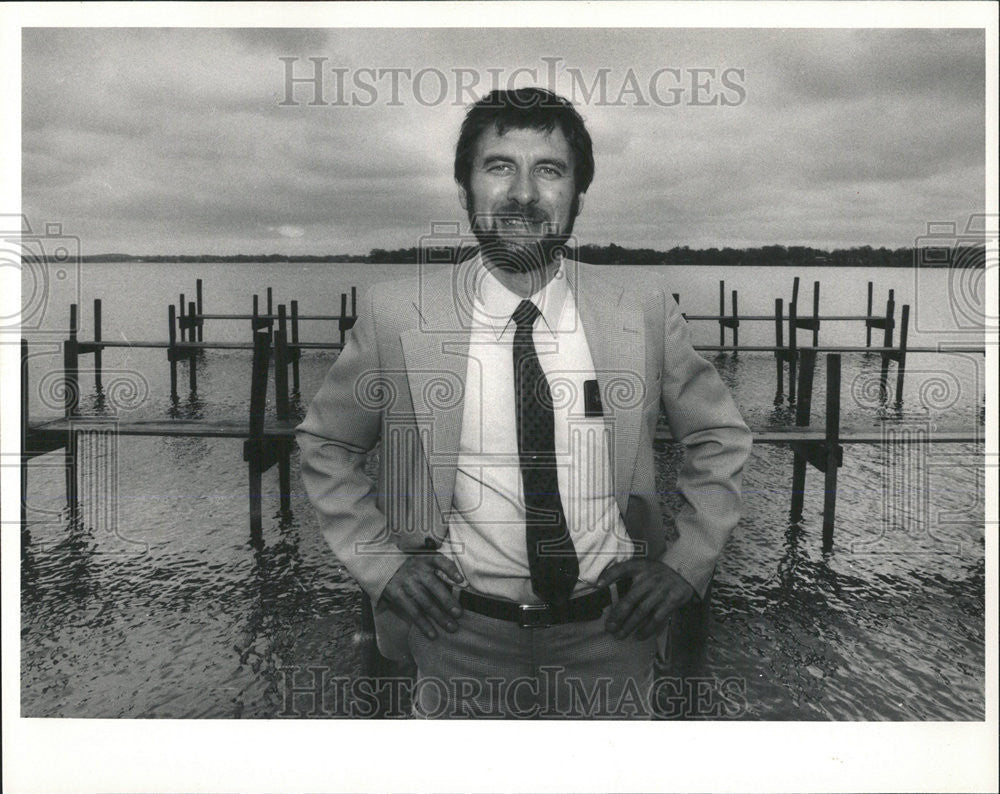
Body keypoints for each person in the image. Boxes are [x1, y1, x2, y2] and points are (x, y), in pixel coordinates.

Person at [296, 87, 752, 718]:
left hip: (611, 638)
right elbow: (328, 444)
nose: (523, 193)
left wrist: (685, 564)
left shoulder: (641, 309)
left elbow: (719, 437)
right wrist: (381, 565)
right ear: (465, 191)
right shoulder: (395, 315)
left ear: (578, 198)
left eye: (549, 170)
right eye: (499, 166)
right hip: (457, 639)